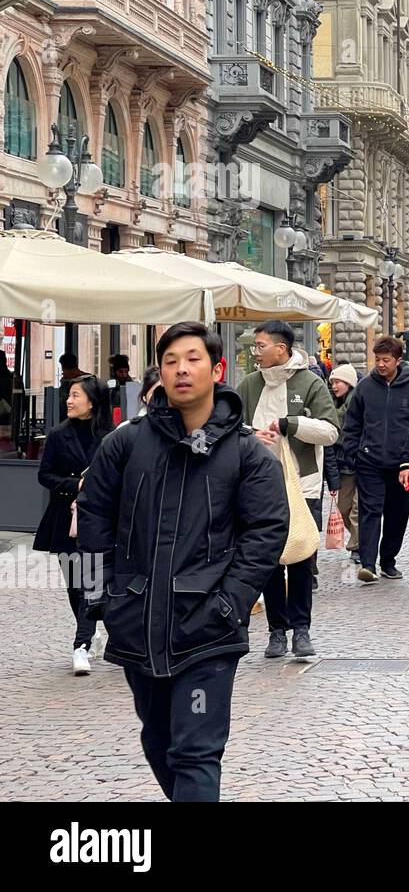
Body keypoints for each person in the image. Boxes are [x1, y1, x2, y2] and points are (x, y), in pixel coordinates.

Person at [78, 321, 288, 802]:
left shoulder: (247, 454)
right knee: (159, 742)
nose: (181, 370)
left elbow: (265, 533)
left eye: (192, 359)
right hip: (137, 623)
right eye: (170, 361)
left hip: (208, 631)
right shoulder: (125, 444)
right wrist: (101, 597)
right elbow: (92, 518)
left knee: (195, 751)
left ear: (216, 369)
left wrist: (231, 603)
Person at [236, 321, 339, 659]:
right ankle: (276, 631)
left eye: (260, 346)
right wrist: (252, 436)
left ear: (281, 349)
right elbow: (231, 427)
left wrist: (290, 424)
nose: (256, 352)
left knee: (300, 560)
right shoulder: (249, 385)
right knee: (267, 561)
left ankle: (302, 630)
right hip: (258, 486)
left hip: (303, 485)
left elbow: (330, 431)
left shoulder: (310, 382)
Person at [35, 374, 113, 675]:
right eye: (69, 395)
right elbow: (45, 475)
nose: (69, 400)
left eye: (76, 395)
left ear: (91, 401)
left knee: (91, 581)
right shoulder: (57, 434)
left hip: (97, 520)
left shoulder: (109, 435)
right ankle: (91, 631)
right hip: (64, 519)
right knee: (74, 585)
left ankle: (80, 645)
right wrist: (74, 483)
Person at [342, 336, 409, 583]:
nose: (381, 364)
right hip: (370, 461)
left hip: (404, 464)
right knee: (370, 511)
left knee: (397, 514)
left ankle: (388, 561)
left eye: (386, 360)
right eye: (378, 359)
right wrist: (354, 452)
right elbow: (352, 422)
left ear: (398, 360)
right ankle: (367, 563)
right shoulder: (366, 387)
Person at [323, 363, 360, 562]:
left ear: (349, 383)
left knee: (357, 508)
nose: (334, 386)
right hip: (343, 464)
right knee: (344, 507)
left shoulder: (357, 402)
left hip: (360, 462)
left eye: (338, 382)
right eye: (332, 382)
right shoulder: (332, 405)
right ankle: (359, 540)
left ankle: (358, 547)